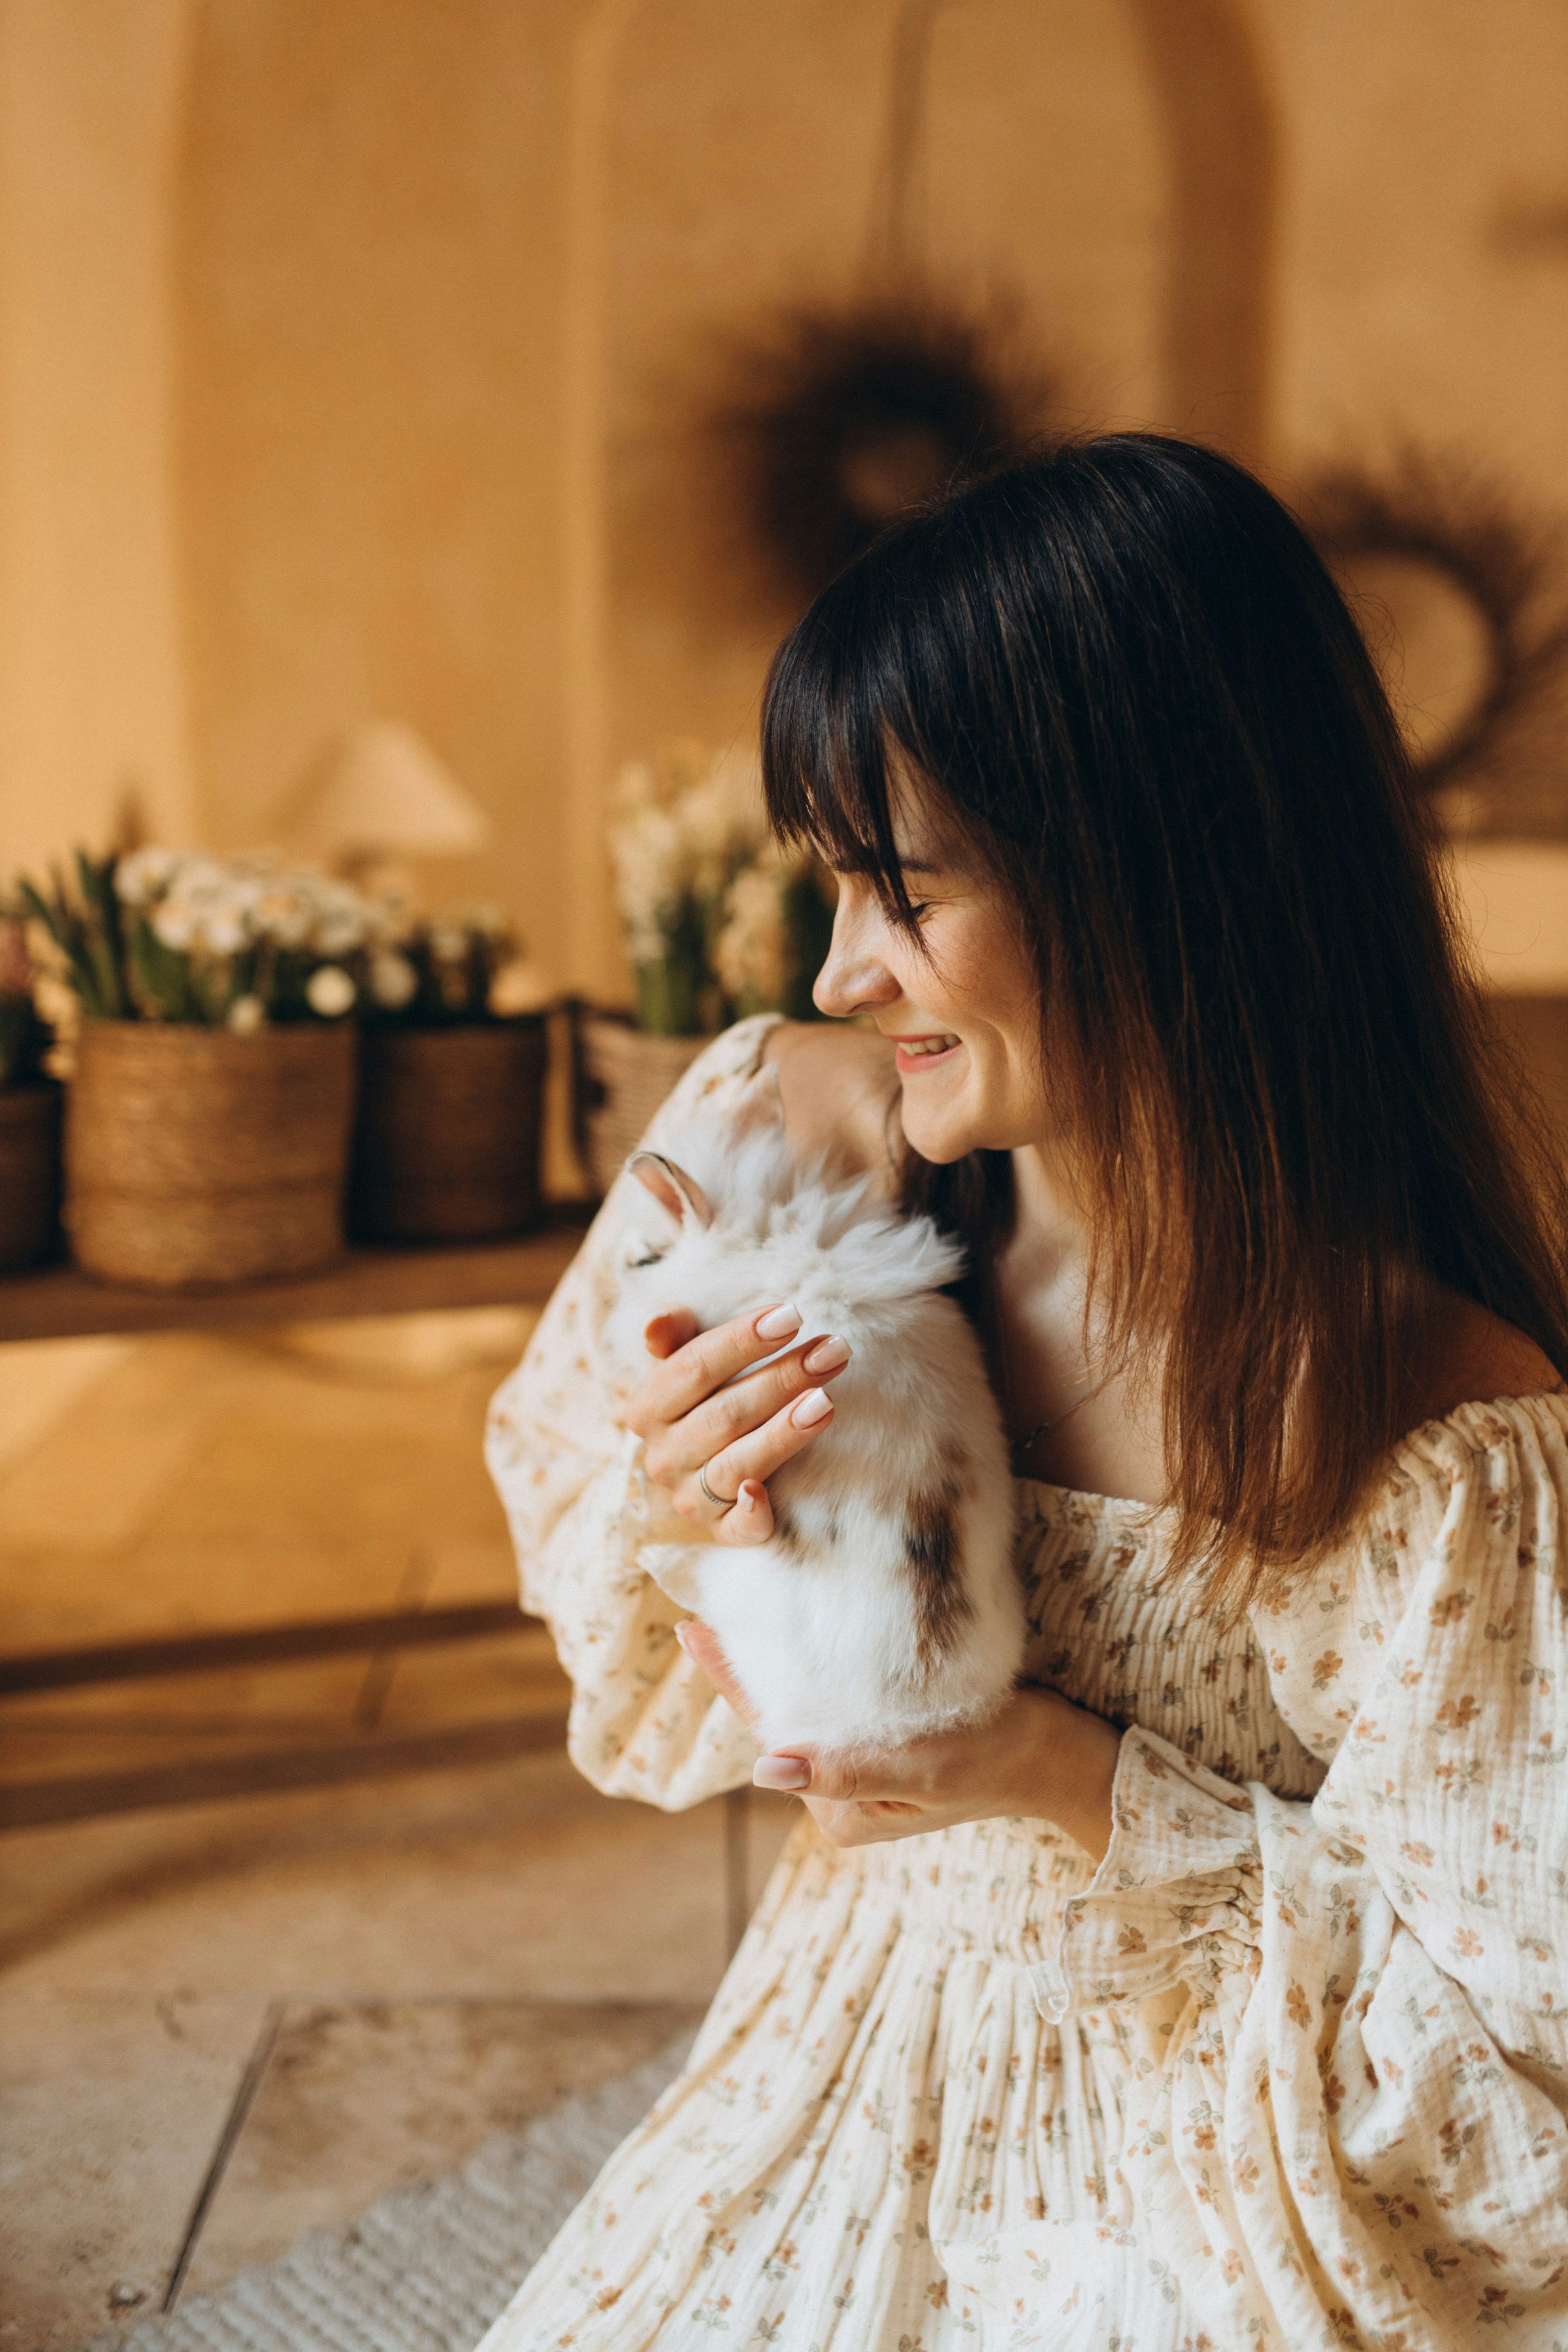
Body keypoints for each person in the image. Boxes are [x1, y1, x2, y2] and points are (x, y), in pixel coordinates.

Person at [479, 436, 1568, 2349]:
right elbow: (614, 1640)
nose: (840, 972)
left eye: (903, 892)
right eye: (831, 887)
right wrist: (690, 1519)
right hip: (844, 2052)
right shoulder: (785, 1153)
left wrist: (1066, 1779)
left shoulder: (1448, 1437)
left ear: (1163, 872)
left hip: (1226, 2155)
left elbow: (1504, 2078)